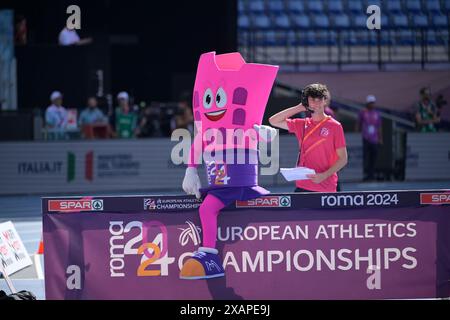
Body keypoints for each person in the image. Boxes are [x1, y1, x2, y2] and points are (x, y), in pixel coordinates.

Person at [269, 83, 348, 193]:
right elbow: (273, 121)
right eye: (312, 100)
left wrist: (324, 175)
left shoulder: (335, 126)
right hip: (302, 185)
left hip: (326, 187)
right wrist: (299, 108)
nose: (316, 103)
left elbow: (343, 159)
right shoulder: (301, 124)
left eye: (319, 99)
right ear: (307, 102)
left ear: (325, 101)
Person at [355, 95, 383, 181]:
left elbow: (379, 127)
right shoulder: (362, 112)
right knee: (364, 157)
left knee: (373, 157)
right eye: (370, 103)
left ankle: (371, 174)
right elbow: (358, 124)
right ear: (367, 103)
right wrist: (356, 136)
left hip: (374, 139)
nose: (372, 104)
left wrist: (380, 138)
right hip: (365, 138)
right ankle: (363, 174)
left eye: (373, 103)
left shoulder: (377, 113)